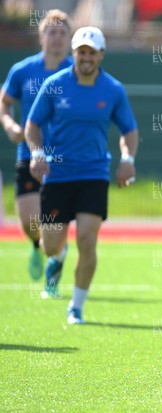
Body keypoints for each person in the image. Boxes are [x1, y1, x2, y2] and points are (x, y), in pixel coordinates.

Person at [25, 26, 139, 324]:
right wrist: (37, 154)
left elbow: (129, 130)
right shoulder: (54, 85)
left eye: (92, 52)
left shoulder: (113, 89)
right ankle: (57, 259)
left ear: (101, 55)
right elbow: (32, 125)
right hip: (58, 174)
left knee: (87, 240)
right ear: (74, 53)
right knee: (51, 244)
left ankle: (76, 306)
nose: (86, 57)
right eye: (81, 51)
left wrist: (127, 159)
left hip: (94, 174)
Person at [0, 9, 73, 296]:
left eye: (62, 33)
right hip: (29, 154)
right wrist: (9, 125)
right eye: (51, 32)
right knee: (31, 224)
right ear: (41, 36)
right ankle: (36, 245)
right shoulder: (23, 71)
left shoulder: (76, 73)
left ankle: (53, 273)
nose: (56, 38)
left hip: (63, 160)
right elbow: (4, 103)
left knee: (54, 223)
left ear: (69, 39)